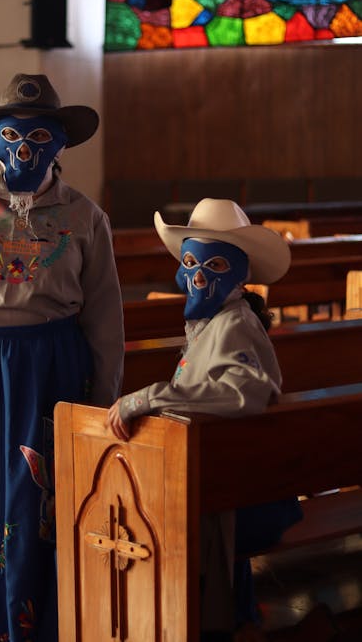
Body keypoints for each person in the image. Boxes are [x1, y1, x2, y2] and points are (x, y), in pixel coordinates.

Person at [0, 73, 124, 642]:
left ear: (61, 144)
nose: (23, 148)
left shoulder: (85, 216)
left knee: (37, 502)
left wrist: (101, 398)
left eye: (39, 136)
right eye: (11, 135)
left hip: (50, 368)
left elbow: (105, 315)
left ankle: (35, 624)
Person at [108, 198, 302, 642]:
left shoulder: (234, 324)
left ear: (238, 275)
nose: (198, 275)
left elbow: (241, 392)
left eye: (214, 265)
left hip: (245, 497)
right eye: (191, 261)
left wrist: (147, 399)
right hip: (226, 482)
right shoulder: (215, 321)